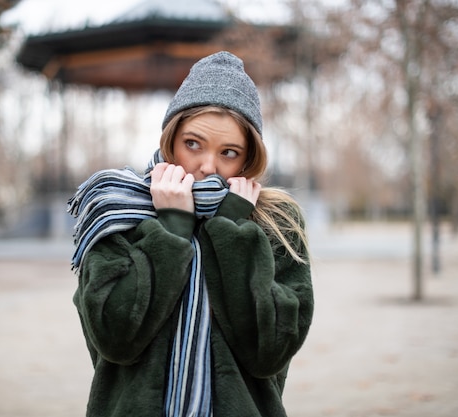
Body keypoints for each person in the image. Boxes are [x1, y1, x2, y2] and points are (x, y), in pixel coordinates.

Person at [68, 51, 314, 417]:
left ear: (248, 158)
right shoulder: (116, 210)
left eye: (229, 152)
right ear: (171, 137)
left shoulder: (276, 220)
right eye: (193, 144)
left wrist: (230, 229)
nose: (207, 167)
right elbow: (114, 338)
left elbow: (271, 352)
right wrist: (172, 227)